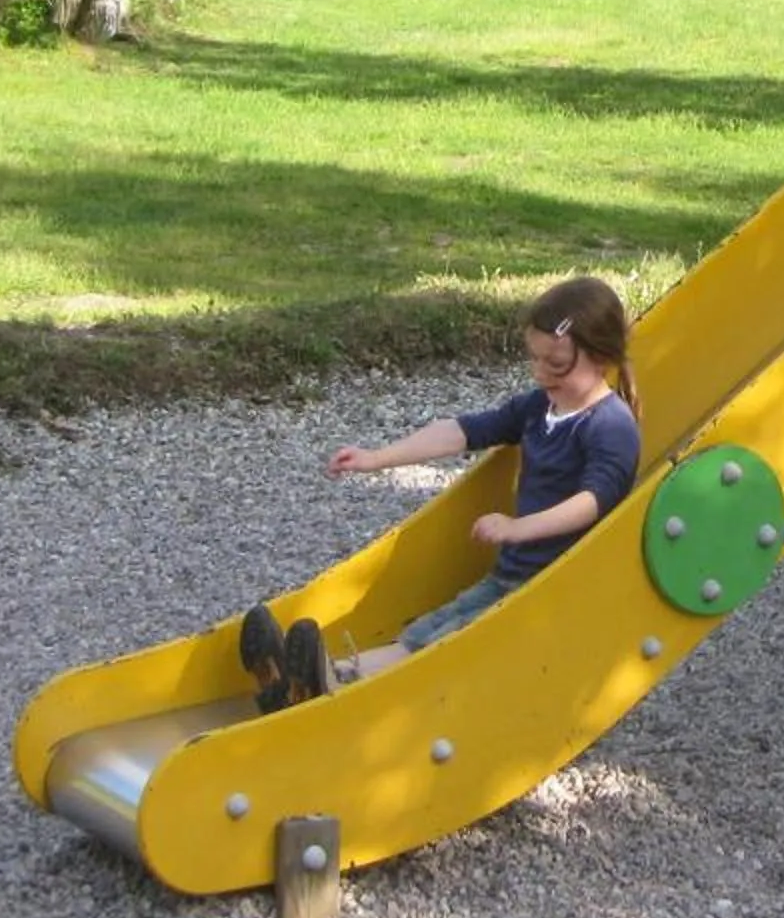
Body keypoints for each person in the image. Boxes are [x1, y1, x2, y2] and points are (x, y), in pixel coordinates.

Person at [240, 275, 641, 710]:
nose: (541, 373)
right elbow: (461, 432)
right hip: (510, 577)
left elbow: (594, 501)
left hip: (548, 594)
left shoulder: (611, 426)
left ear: (601, 356)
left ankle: (322, 690)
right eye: (535, 359)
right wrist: (377, 458)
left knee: (448, 645)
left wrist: (519, 528)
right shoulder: (540, 406)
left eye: (556, 364)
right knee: (428, 630)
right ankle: (317, 678)